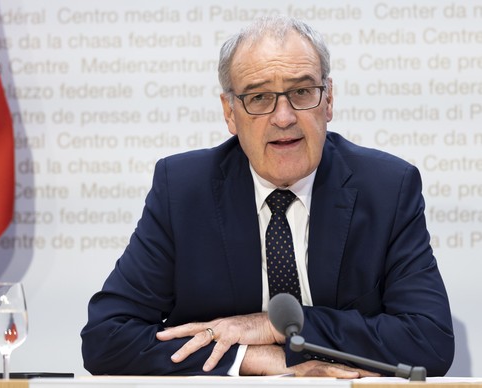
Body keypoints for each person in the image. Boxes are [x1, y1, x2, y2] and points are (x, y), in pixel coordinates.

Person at [80, 16, 454, 377]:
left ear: (328, 101)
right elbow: (106, 338)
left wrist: (278, 328)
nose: (284, 117)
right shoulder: (183, 190)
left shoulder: (387, 187)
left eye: (302, 92)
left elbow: (429, 342)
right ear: (230, 112)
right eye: (259, 98)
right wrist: (258, 358)